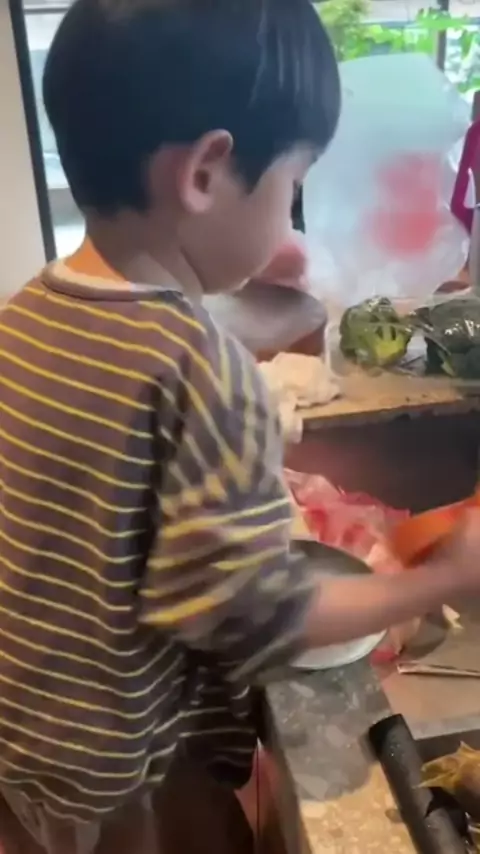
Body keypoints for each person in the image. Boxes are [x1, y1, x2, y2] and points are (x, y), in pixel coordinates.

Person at [0, 0, 479, 851]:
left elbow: (149, 353)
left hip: (30, 744)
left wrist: (246, 288)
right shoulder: (203, 375)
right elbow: (266, 614)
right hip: (128, 776)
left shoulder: (30, 315)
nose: (292, 218)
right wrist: (437, 580)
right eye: (292, 188)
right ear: (206, 173)